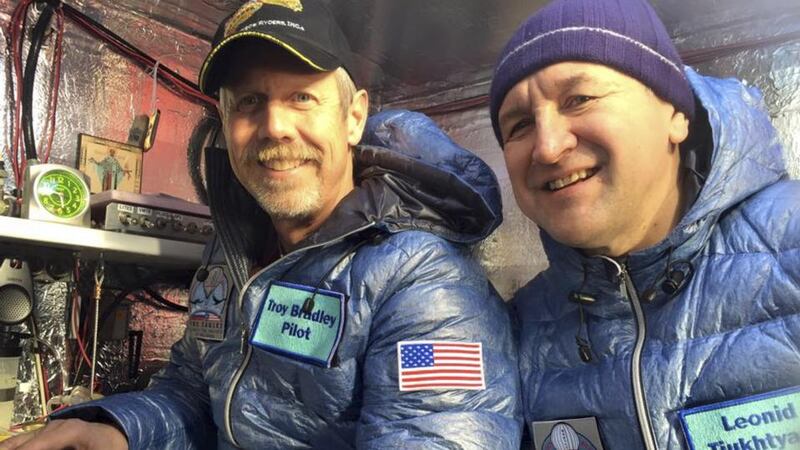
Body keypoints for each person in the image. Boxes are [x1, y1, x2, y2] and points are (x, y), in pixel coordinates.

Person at [0, 1, 521, 448]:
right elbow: (196, 392)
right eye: (250, 102)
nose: (274, 126)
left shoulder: (426, 285)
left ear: (354, 118)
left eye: (302, 97)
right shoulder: (233, 252)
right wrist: (117, 431)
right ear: (226, 124)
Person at [489, 0, 800, 448]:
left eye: (579, 99)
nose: (548, 147)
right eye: (519, 125)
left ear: (676, 113)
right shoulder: (518, 330)